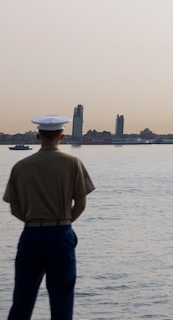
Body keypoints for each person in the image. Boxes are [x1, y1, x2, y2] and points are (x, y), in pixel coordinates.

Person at [3, 114, 95, 320]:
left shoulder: (21, 166)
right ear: (62, 137)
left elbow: (14, 208)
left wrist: (32, 220)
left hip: (31, 235)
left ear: (38, 136)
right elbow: (80, 204)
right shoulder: (73, 163)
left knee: (22, 298)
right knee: (62, 298)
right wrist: (64, 222)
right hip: (60, 234)